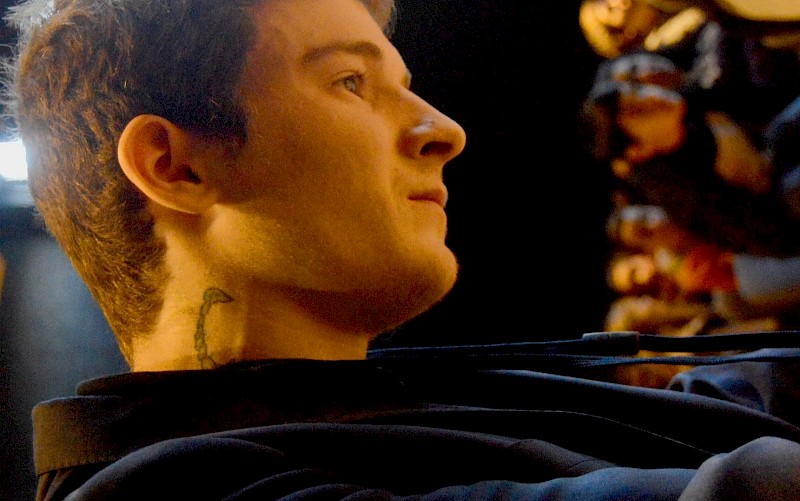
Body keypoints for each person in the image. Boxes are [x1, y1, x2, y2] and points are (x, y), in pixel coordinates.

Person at [6, 0, 800, 499]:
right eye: (350, 82)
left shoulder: (349, 402)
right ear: (175, 166)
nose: (443, 131)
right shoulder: (174, 491)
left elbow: (721, 406)